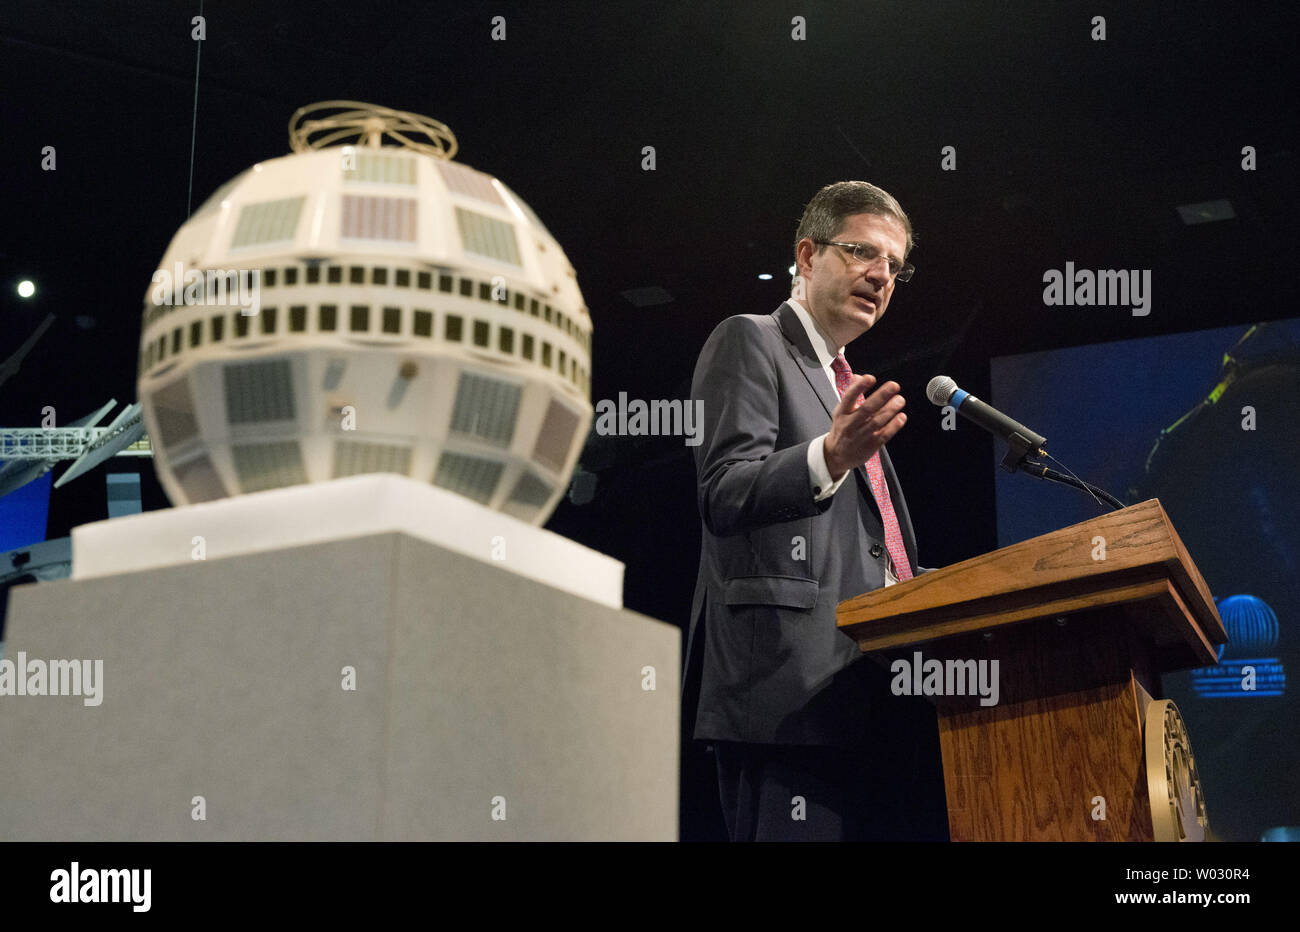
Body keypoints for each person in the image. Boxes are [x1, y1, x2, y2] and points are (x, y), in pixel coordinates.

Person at [683, 181, 944, 841]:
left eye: (895, 265)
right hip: (789, 702)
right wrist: (828, 456)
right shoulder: (751, 342)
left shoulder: (849, 388)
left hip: (876, 704)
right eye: (862, 252)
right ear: (807, 254)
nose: (881, 276)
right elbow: (723, 491)